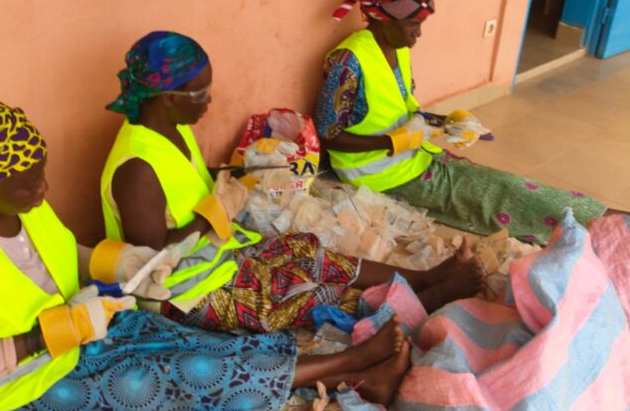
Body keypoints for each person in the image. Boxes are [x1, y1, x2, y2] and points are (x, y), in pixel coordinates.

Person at [0, 101, 416, 411]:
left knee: (208, 348)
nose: (42, 192)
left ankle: (343, 376)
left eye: (40, 177)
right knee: (183, 379)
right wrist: (61, 331)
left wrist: (123, 262)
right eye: (28, 186)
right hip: (23, 384)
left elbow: (63, 253)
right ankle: (351, 363)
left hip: (81, 324)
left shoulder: (14, 197)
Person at [101, 32, 483, 335]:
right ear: (168, 97)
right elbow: (150, 260)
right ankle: (427, 301)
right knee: (295, 293)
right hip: (184, 294)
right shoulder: (136, 169)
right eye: (200, 92)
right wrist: (213, 211)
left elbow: (186, 190)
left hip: (214, 255)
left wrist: (245, 172)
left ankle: (422, 279)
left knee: (305, 249)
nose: (209, 101)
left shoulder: (171, 129)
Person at [315, 0, 608, 245]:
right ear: (383, 18)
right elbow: (328, 137)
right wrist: (394, 142)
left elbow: (397, 108)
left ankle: (601, 218)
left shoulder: (395, 47)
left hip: (412, 157)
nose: (418, 32)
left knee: (504, 185)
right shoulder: (349, 63)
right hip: (377, 173)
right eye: (413, 24)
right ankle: (599, 226)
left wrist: (443, 124)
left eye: (421, 23)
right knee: (495, 198)